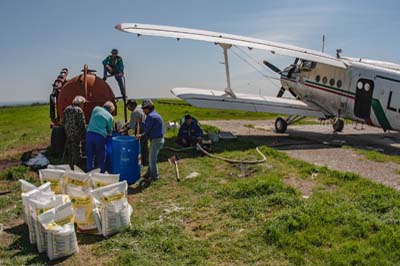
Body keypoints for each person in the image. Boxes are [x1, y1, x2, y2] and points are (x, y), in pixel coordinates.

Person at [137, 99, 165, 180]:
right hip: (159, 139)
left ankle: (155, 176)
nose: (143, 111)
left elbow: (146, 129)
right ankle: (149, 173)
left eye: (144, 109)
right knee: (151, 157)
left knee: (152, 159)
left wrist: (139, 123)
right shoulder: (155, 115)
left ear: (148, 108)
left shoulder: (151, 116)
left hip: (156, 140)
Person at [86, 101, 115, 172]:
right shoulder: (110, 117)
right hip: (100, 136)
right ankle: (101, 171)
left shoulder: (96, 109)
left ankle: (89, 171)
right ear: (111, 110)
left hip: (89, 134)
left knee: (90, 154)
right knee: (101, 155)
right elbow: (110, 130)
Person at [122, 99, 148, 166]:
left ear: (132, 105)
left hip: (140, 131)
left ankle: (139, 163)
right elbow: (132, 121)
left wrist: (123, 130)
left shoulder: (134, 112)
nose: (128, 108)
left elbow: (132, 126)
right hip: (146, 129)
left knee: (139, 148)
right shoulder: (139, 107)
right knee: (145, 148)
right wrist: (126, 123)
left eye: (128, 107)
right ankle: (145, 162)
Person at [62, 96, 86, 168]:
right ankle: (76, 165)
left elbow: (63, 121)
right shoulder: (79, 110)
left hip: (68, 132)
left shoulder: (67, 109)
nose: (83, 105)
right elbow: (82, 124)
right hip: (76, 133)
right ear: (80, 103)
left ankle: (71, 163)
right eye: (83, 104)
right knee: (77, 149)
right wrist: (84, 133)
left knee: (71, 148)